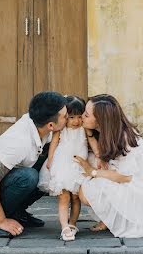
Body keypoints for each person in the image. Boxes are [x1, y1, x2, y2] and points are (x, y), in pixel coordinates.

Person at [0, 91, 67, 238]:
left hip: (2, 180)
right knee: (29, 177)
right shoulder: (20, 142)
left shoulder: (38, 121)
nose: (69, 117)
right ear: (51, 125)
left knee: (50, 167)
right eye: (65, 116)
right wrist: (2, 221)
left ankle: (16, 213)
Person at [74, 94, 143, 238]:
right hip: (121, 174)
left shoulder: (125, 137)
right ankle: (109, 219)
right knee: (87, 180)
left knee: (86, 191)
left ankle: (116, 219)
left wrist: (93, 172)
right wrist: (89, 134)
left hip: (138, 184)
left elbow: (125, 177)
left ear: (101, 120)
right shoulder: (105, 130)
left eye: (86, 115)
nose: (82, 116)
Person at [38, 95, 100, 241]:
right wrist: (51, 159)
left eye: (79, 116)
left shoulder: (84, 128)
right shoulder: (61, 128)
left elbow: (91, 141)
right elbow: (53, 142)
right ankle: (64, 226)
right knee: (64, 197)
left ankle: (73, 224)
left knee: (76, 197)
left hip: (79, 166)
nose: (76, 121)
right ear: (65, 116)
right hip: (63, 165)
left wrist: (98, 156)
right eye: (72, 117)